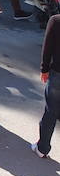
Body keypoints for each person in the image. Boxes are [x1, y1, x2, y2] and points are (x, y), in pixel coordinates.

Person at [33, 14, 60, 158]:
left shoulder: (56, 20)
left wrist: (44, 69)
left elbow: (47, 46)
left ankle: (42, 148)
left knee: (51, 111)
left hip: (57, 72)